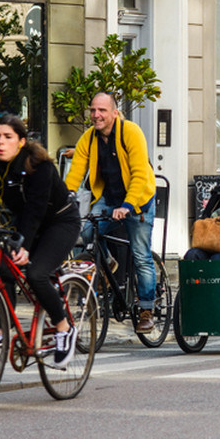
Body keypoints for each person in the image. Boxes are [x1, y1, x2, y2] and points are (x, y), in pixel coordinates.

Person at [0, 116, 81, 368]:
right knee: (3, 269)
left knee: (37, 273)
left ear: (21, 142)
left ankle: (64, 327)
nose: (1, 143)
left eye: (8, 137)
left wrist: (25, 246)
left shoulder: (39, 165)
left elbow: (36, 208)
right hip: (26, 223)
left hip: (59, 222)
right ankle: (2, 331)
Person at [63, 92, 159, 333]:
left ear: (114, 113)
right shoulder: (89, 138)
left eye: (102, 110)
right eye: (93, 110)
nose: (96, 115)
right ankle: (109, 263)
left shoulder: (131, 132)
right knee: (86, 232)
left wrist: (127, 206)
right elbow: (76, 172)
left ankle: (147, 310)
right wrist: (64, 199)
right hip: (109, 197)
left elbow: (139, 174)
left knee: (141, 256)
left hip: (138, 201)